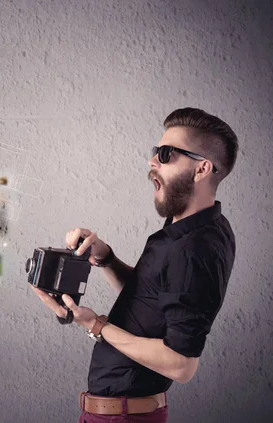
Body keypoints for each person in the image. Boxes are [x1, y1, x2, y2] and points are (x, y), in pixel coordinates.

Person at [32, 107, 238, 423]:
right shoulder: (183, 229)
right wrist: (105, 258)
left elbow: (181, 365)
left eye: (167, 154)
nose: (152, 161)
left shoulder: (196, 248)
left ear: (202, 169)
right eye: (156, 151)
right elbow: (152, 296)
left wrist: (94, 324)